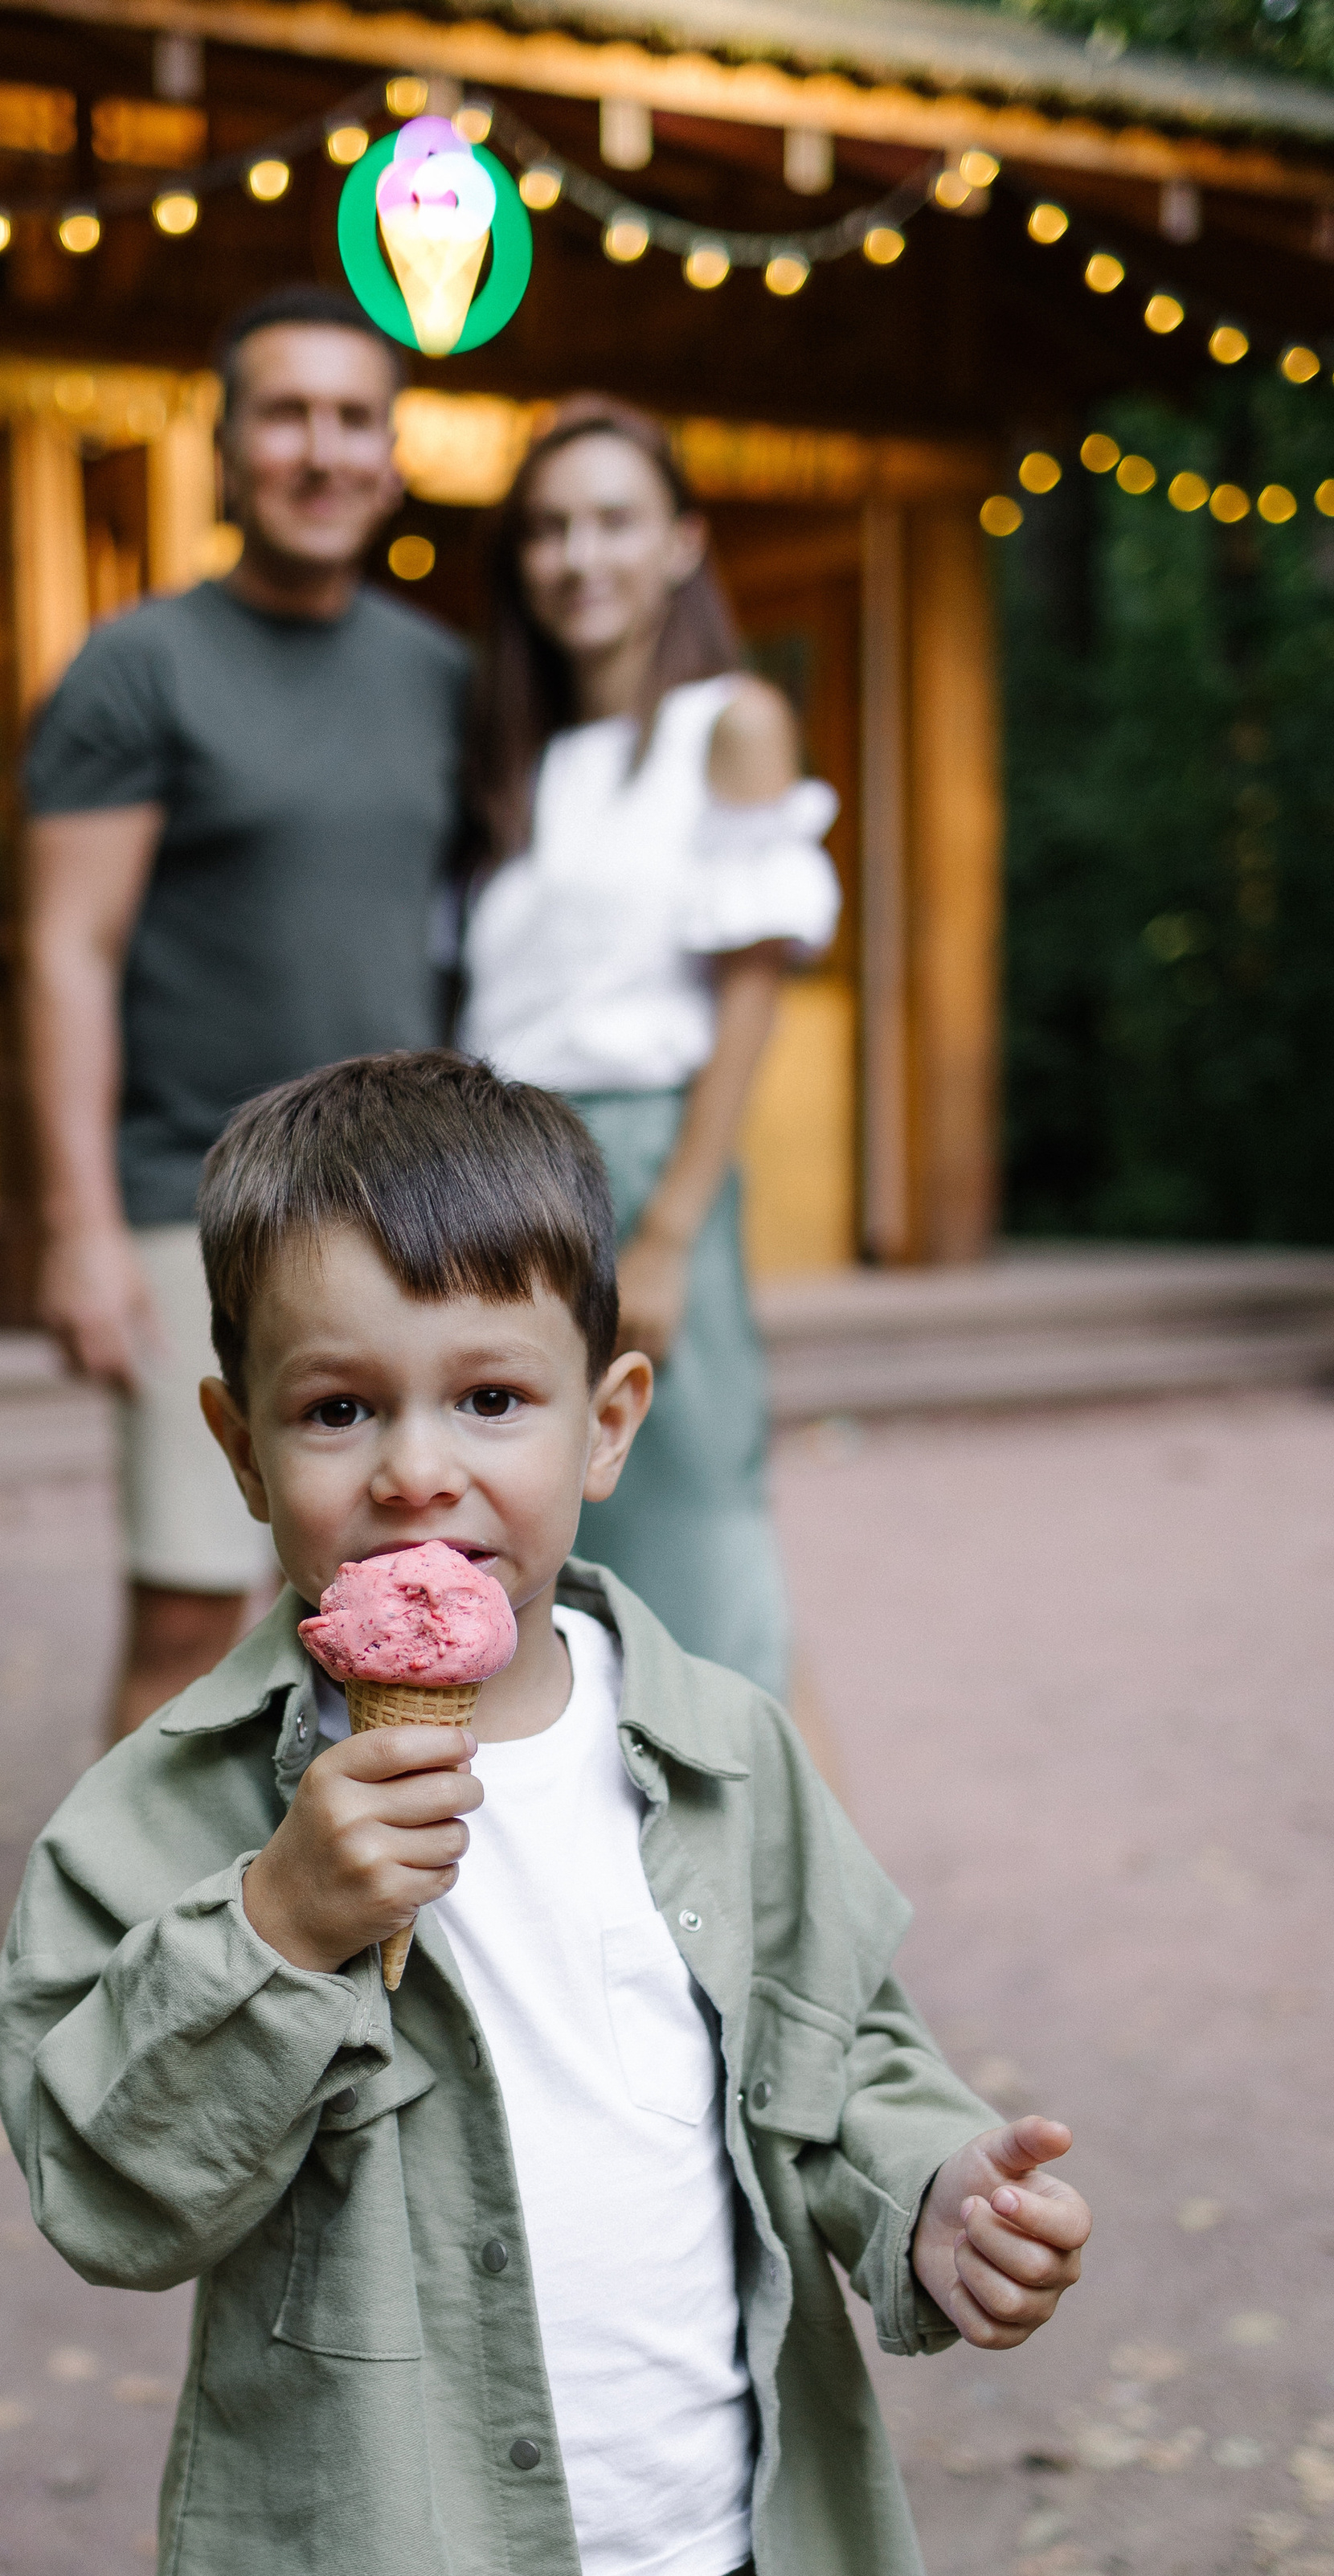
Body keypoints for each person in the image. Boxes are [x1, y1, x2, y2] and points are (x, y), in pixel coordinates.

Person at [0, 1051, 1092, 2576]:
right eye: (339, 1410)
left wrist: (932, 2199)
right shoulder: (173, 1816)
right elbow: (106, 2190)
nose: (417, 1473)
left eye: (489, 1400)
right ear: (237, 1445)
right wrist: (276, 1930)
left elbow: (838, 2051)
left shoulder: (724, 1754)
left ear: (607, 1423)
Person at [22, 285, 471, 1740]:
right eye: (286, 416)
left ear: (391, 457)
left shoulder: (442, 677)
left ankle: (335, 1876)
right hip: (193, 1201)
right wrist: (80, 1227)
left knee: (385, 1602)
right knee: (187, 1607)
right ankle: (120, 1892)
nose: (321, 451)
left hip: (399, 1207)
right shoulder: (139, 667)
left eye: (354, 419)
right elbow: (68, 948)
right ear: (225, 450)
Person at [460, 399, 841, 1699]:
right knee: (548, 1563)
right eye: (550, 529)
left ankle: (788, 1838)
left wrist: (670, 1229)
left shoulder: (730, 723)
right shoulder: (518, 758)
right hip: (502, 1177)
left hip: (642, 1162)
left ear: (683, 541)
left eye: (615, 521)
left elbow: (751, 995)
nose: (581, 556)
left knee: (703, 1559)